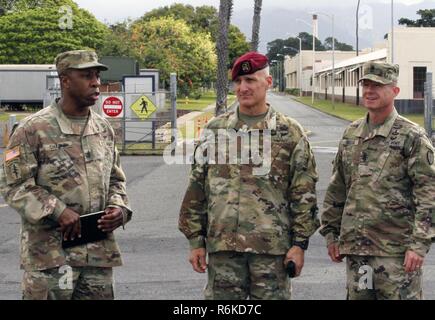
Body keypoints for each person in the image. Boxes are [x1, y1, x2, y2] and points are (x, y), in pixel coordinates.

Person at [179, 52, 319, 300]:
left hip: (271, 252)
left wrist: (299, 245)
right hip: (223, 249)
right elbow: (197, 188)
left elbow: (303, 194)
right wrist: (195, 241)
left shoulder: (290, 133)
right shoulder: (216, 130)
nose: (243, 87)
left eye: (251, 80)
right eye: (239, 81)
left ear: (268, 82)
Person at [0, 50, 132, 300]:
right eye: (86, 76)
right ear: (65, 80)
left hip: (97, 257)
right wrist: (57, 210)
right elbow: (14, 185)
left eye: (96, 75)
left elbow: (116, 179)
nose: (96, 82)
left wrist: (119, 209)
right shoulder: (33, 129)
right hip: (50, 258)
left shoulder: (103, 129)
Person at [320, 62, 435, 300]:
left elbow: (428, 193)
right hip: (357, 252)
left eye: (378, 85)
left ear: (394, 91)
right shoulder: (352, 133)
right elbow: (338, 187)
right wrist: (331, 233)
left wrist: (419, 244)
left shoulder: (411, 136)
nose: (370, 91)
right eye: (366, 84)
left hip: (396, 254)